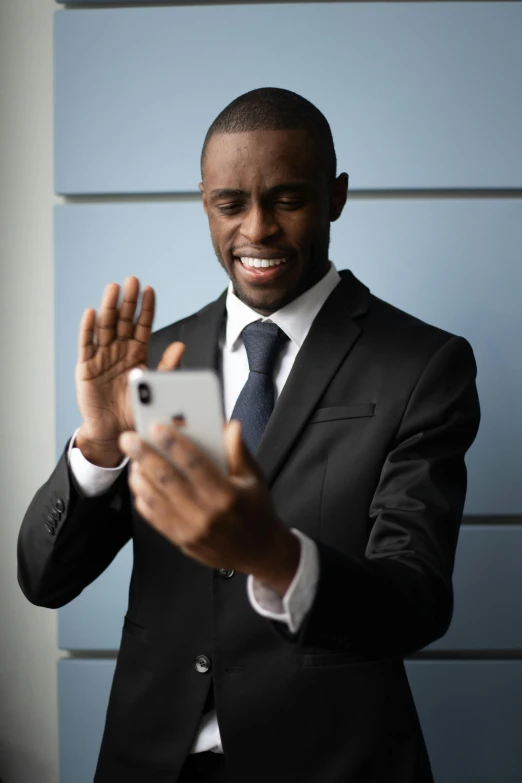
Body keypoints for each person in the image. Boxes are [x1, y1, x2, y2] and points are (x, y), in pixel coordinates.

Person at [18, 88, 480, 783]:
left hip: (334, 762)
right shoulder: (158, 360)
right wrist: (101, 446)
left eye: (287, 199)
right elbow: (44, 579)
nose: (257, 229)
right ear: (204, 202)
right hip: (152, 760)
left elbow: (416, 600)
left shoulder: (421, 364)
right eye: (230, 203)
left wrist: (275, 555)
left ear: (336, 197)